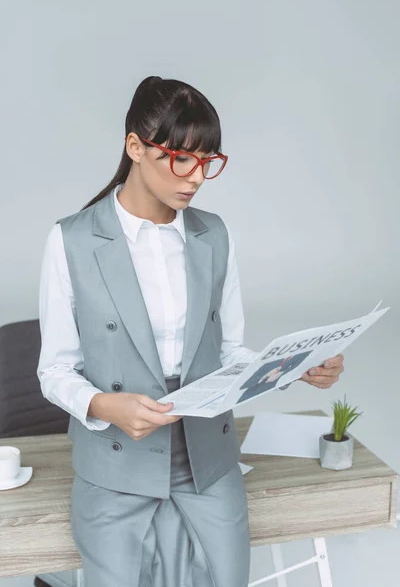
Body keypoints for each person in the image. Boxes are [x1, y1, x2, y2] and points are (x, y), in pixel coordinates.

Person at [36, 75, 345, 587]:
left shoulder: (212, 234)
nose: (196, 177)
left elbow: (227, 352)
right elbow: (54, 370)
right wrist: (104, 405)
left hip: (209, 459)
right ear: (135, 147)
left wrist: (292, 369)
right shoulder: (70, 240)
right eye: (181, 159)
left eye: (208, 161)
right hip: (116, 466)